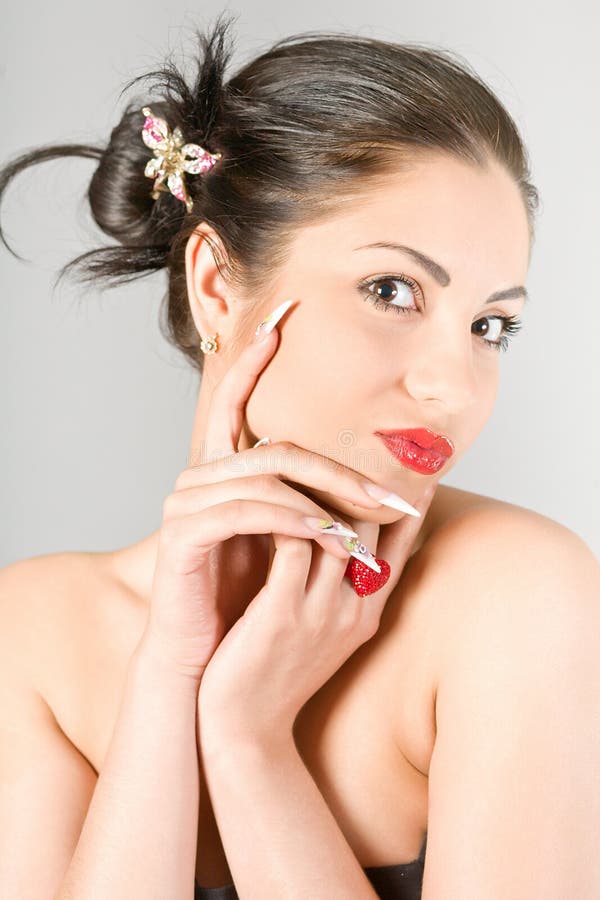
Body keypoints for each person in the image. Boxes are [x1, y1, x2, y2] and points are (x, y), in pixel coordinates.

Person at [1, 13, 599, 900]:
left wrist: (249, 740)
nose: (453, 384)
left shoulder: (517, 595)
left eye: (489, 326)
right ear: (216, 285)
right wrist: (171, 679)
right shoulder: (33, 633)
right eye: (391, 290)